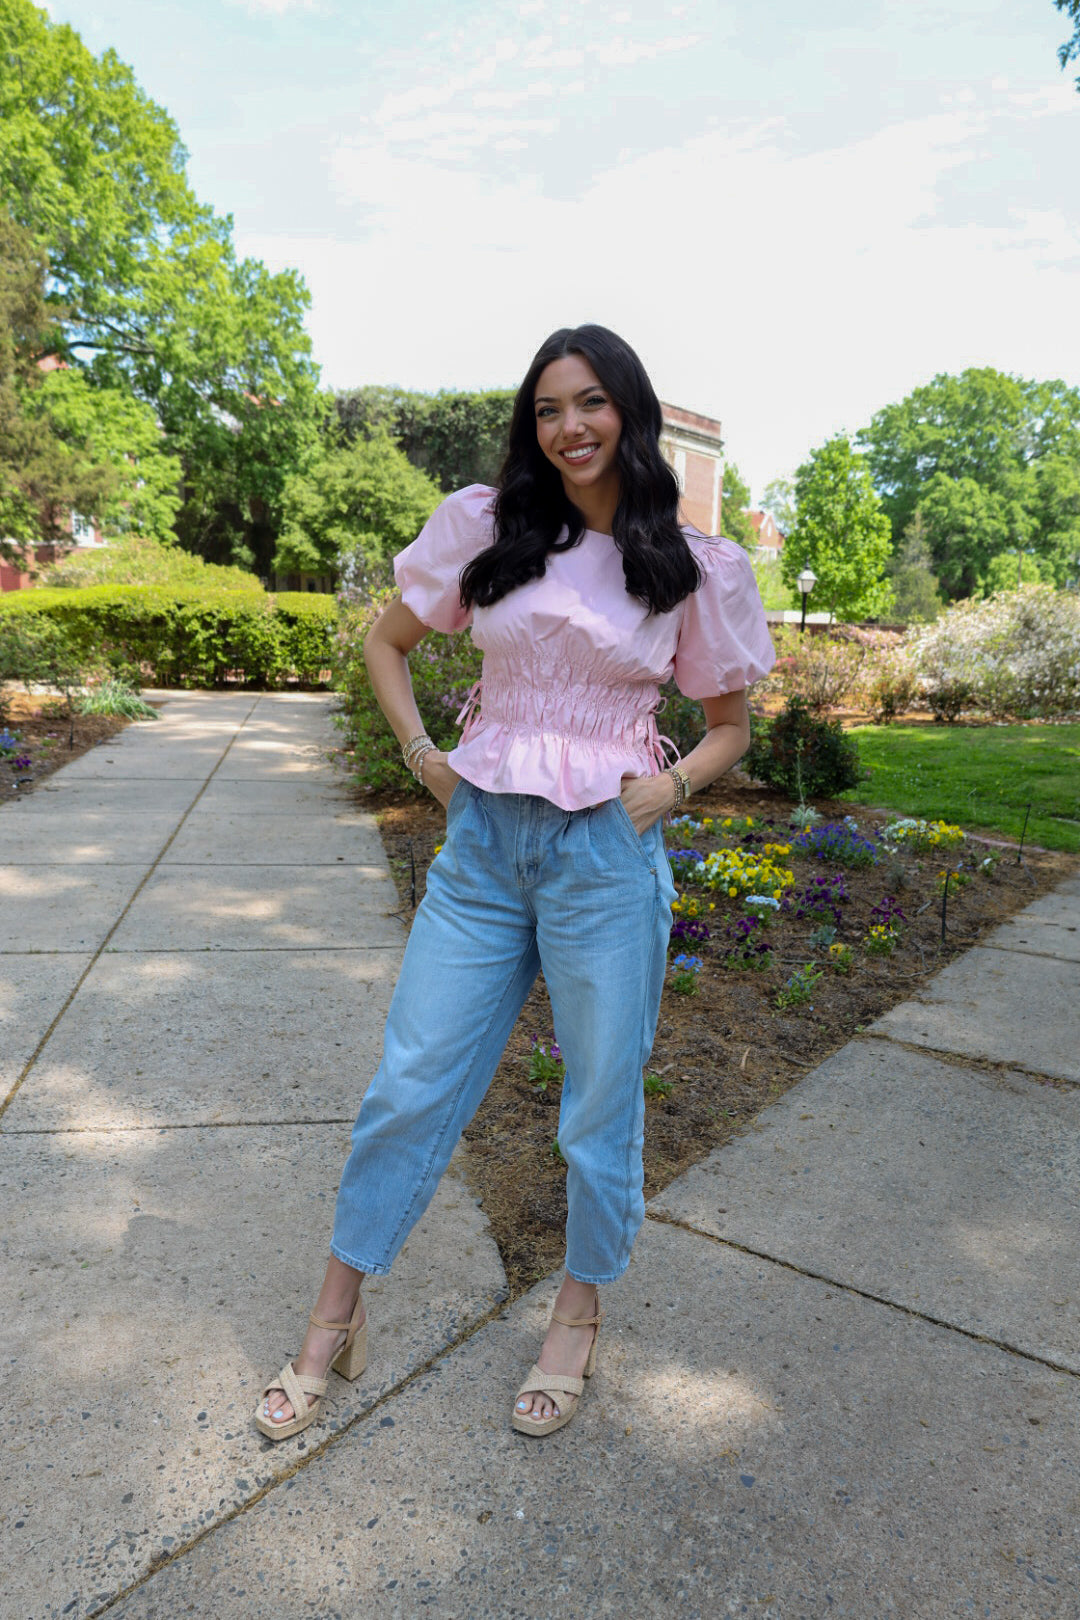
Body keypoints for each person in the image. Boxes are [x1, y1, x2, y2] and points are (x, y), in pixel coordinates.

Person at [256, 323, 775, 1442]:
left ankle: (579, 1315)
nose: (569, 427)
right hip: (486, 847)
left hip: (603, 857)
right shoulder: (489, 525)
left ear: (628, 411)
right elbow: (386, 643)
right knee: (411, 1079)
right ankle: (334, 1317)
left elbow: (731, 724)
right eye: (547, 409)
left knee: (597, 1103)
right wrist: (424, 761)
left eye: (589, 403)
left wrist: (666, 791)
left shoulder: (690, 564)